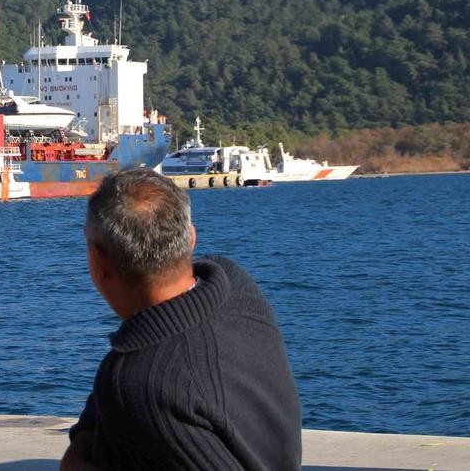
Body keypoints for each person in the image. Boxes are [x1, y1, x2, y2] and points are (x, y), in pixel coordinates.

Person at [62, 168, 301, 470]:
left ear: (99, 260)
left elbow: (131, 385)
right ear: (191, 238)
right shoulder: (233, 282)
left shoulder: (139, 382)